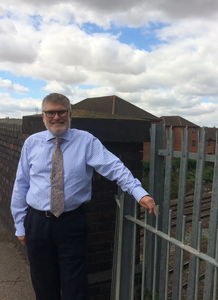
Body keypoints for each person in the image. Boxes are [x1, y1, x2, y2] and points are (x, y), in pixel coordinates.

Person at [11, 93, 157, 300]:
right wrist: (19, 224)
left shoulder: (86, 141)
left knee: (75, 284)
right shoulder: (32, 143)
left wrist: (138, 192)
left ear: (70, 115)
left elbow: (114, 167)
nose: (56, 117)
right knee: (43, 283)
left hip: (71, 221)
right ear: (43, 116)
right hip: (36, 222)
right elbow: (21, 184)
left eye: (61, 111)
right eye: (50, 112)